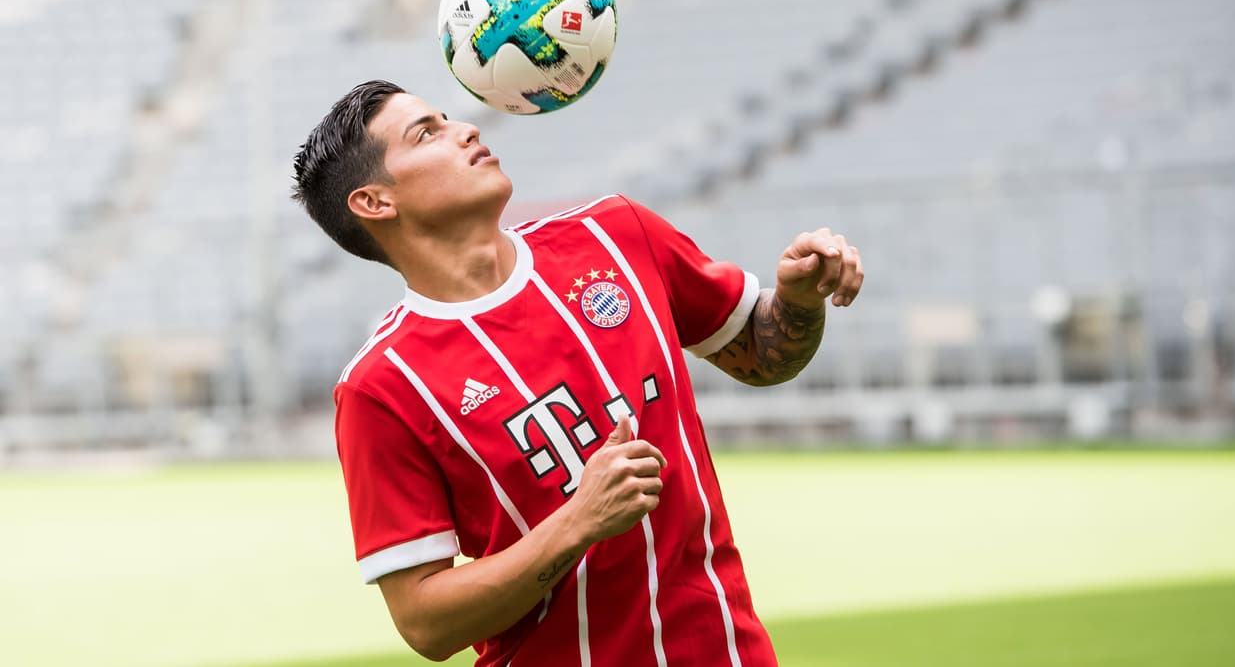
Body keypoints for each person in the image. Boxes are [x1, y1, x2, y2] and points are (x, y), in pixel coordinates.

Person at [291, 80, 864, 666]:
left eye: (447, 117)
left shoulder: (618, 235)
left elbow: (763, 355)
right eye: (426, 133)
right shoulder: (381, 387)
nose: (467, 129)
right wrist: (578, 523)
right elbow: (424, 623)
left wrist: (798, 303)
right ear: (374, 203)